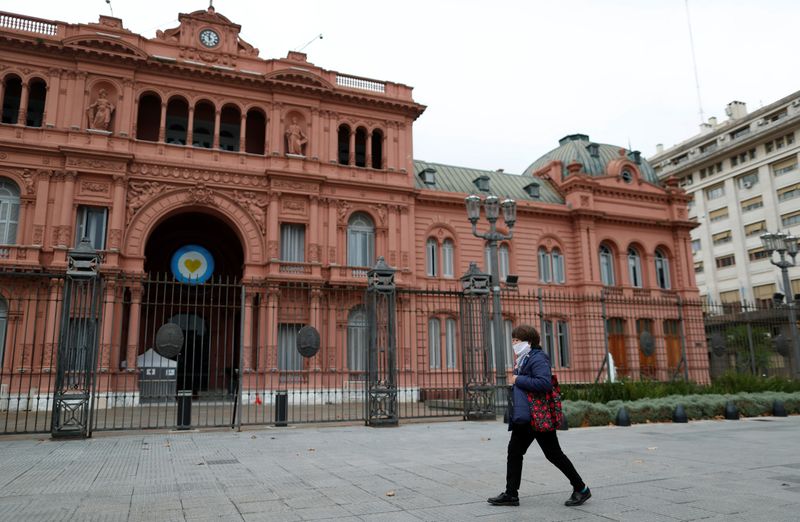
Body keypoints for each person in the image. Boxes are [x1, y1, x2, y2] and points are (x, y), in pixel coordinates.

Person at [487, 324, 591, 507]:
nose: (513, 343)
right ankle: (511, 494)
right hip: (527, 416)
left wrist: (519, 379)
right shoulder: (524, 358)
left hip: (538, 416)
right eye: (512, 340)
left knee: (553, 454)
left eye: (516, 340)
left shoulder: (538, 358)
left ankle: (581, 489)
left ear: (528, 341)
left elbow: (544, 383)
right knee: (514, 451)